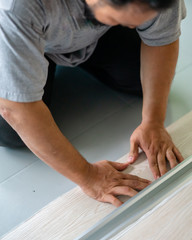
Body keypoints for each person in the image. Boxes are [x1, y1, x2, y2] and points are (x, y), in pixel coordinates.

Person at [0, 0, 186, 207]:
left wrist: (153, 120)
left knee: (140, 78)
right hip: (22, 35)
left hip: (86, 33)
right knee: (11, 132)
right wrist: (88, 176)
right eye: (119, 18)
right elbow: (15, 109)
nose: (134, 27)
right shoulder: (16, 7)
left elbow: (162, 39)